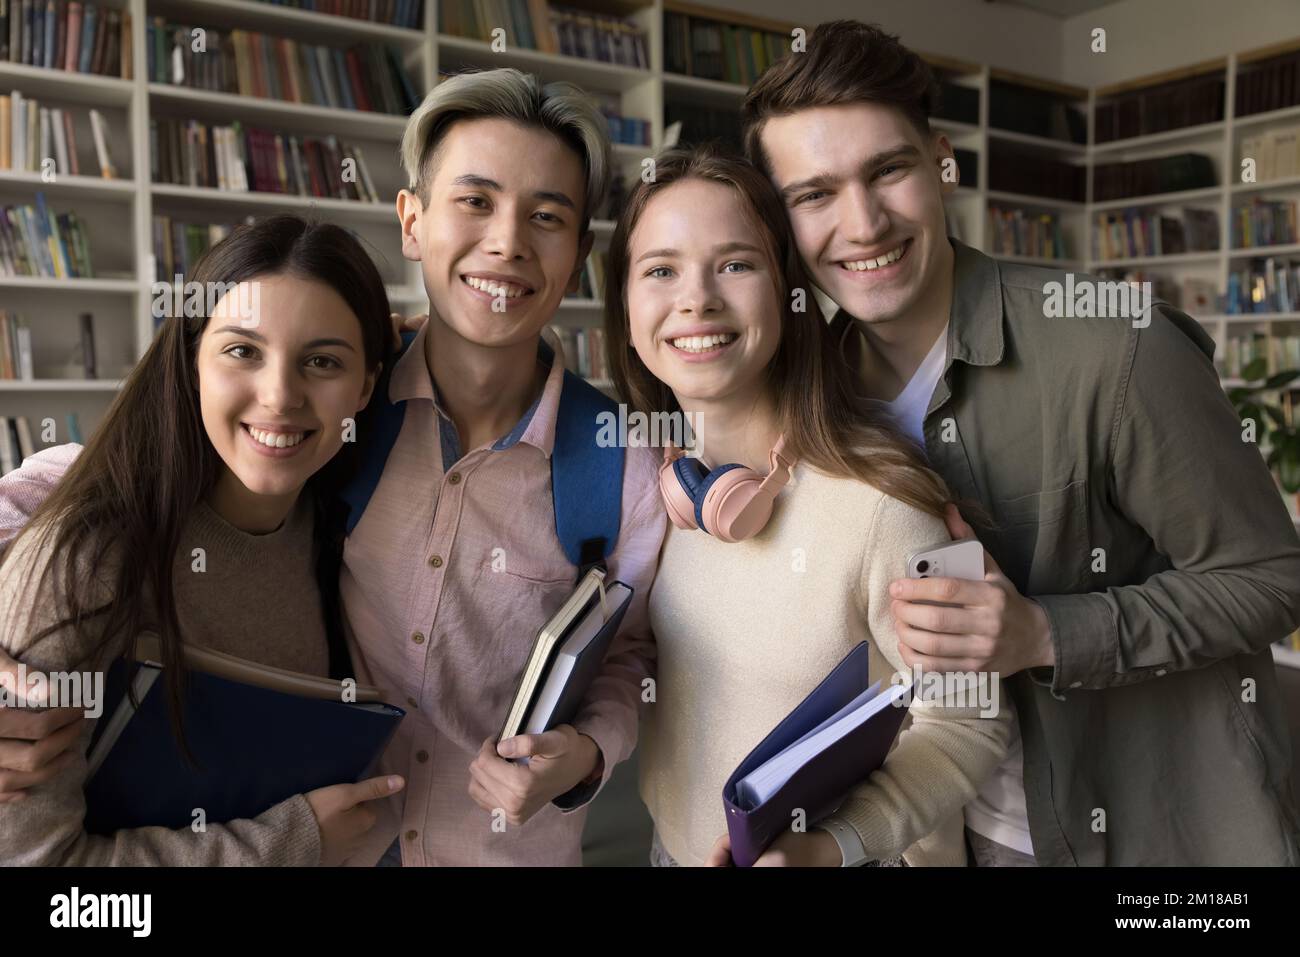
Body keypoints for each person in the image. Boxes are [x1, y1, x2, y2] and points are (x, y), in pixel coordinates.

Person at [0, 68, 667, 867]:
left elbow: (626, 654)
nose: (507, 242)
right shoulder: (341, 405)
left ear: (580, 252)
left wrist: (590, 750)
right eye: (475, 200)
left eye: (547, 215)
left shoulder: (622, 460)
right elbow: (115, 477)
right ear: (413, 221)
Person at [741, 20, 1300, 864]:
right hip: (938, 834)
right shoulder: (809, 393)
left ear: (941, 162)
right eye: (814, 195)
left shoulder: (1119, 346)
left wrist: (1044, 633)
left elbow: (1272, 577)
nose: (861, 224)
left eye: (887, 170)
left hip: (1152, 833)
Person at [605, 143, 1012, 867]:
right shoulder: (658, 489)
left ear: (791, 295)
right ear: (627, 310)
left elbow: (972, 724)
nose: (696, 299)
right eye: (660, 270)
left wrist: (830, 846)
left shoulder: (896, 499)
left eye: (736, 263)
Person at [0, 214, 404, 865]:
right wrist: (295, 841)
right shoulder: (84, 561)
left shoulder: (337, 522)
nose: (279, 396)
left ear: (364, 386)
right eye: (242, 350)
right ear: (191, 363)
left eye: (322, 361)